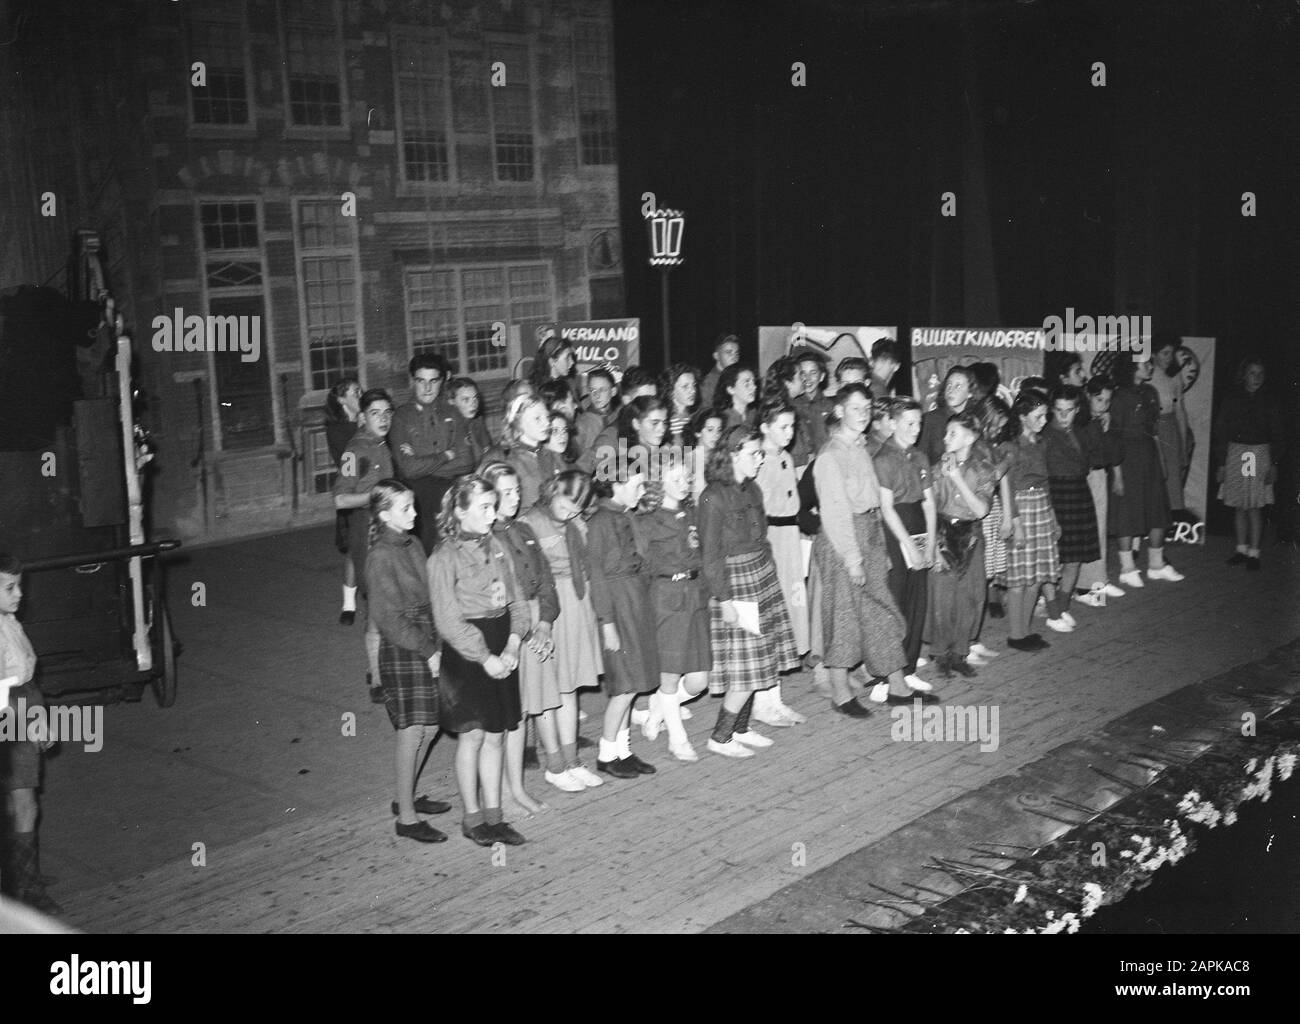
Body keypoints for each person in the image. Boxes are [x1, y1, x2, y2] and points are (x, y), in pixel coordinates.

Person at [428, 476, 529, 847]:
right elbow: (448, 620)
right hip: (470, 652)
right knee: (472, 735)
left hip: (502, 643)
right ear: (459, 511)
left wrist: (515, 643)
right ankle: (473, 819)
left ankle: (494, 816)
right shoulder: (443, 557)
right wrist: (485, 657)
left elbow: (517, 599)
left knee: (497, 735)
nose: (492, 513)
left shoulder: (498, 545)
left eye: (493, 505)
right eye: (484, 507)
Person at [812, 385, 923, 707]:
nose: (862, 414)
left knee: (880, 614)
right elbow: (835, 512)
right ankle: (840, 692)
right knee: (843, 617)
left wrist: (876, 550)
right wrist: (853, 558)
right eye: (855, 408)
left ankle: (898, 686)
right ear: (839, 412)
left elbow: (871, 502)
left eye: (866, 408)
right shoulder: (830, 456)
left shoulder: (859, 447)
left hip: (868, 533)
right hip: (842, 540)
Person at [699, 426, 801, 754]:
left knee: (758, 661)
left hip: (759, 573)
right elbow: (710, 553)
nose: (760, 459)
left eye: (760, 453)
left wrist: (769, 571)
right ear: (731, 455)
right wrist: (724, 598)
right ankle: (720, 737)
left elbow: (762, 534)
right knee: (745, 665)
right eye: (753, 454)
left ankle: (740, 729)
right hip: (735, 581)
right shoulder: (712, 496)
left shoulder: (752, 489)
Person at [364, 481, 452, 844]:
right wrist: (428, 650)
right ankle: (407, 818)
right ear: (384, 515)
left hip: (425, 635)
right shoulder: (381, 555)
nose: (415, 514)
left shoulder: (410, 542)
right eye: (405, 509)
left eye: (413, 506)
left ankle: (405, 797)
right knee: (413, 730)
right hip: (405, 644)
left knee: (430, 726)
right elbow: (388, 618)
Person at [482, 462, 557, 817]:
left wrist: (544, 622)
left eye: (516, 491)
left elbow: (545, 580)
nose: (514, 498)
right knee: (505, 716)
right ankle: (502, 793)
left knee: (522, 711)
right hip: (505, 627)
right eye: (505, 492)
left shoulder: (523, 528)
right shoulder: (487, 538)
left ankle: (517, 788)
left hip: (531, 622)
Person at [525, 471, 605, 792]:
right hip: (546, 605)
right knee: (547, 689)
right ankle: (554, 764)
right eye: (567, 502)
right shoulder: (530, 522)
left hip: (575, 601)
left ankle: (572, 760)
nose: (571, 511)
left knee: (569, 686)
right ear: (553, 490)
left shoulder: (576, 524)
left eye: (578, 507)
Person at [631, 457, 711, 761]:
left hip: (694, 595)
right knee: (669, 674)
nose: (684, 483)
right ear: (658, 482)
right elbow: (641, 567)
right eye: (674, 478)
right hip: (666, 598)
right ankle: (677, 739)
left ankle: (658, 709)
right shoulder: (645, 521)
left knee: (699, 680)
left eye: (687, 478)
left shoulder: (691, 512)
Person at [585, 470, 659, 779]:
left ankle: (624, 750)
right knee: (624, 686)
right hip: (616, 604)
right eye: (636, 483)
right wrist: (607, 622)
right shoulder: (600, 521)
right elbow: (597, 577)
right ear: (616, 484)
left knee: (635, 679)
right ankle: (606, 754)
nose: (641, 490)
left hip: (634, 599)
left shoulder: (627, 515)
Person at [0, 554, 59, 914]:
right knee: (22, 805)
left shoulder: (9, 621)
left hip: (19, 707)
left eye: (19, 585)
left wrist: (38, 714)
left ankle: (22, 879)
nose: (20, 594)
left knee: (21, 803)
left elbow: (26, 679)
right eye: (10, 587)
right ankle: (22, 889)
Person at [333, 388, 396, 703]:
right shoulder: (353, 451)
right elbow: (341, 498)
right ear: (362, 417)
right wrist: (375, 498)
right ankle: (376, 677)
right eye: (375, 413)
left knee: (389, 600)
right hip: (367, 531)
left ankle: (383, 668)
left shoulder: (383, 444)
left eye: (387, 412)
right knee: (376, 604)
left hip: (389, 530)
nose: (383, 418)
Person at [926, 413, 998, 671]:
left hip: (971, 536)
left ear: (970, 437)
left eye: (952, 433)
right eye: (946, 433)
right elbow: (931, 507)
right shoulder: (936, 469)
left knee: (970, 596)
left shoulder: (984, 470)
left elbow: (981, 510)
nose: (946, 438)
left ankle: (960, 652)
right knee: (942, 597)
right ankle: (940, 652)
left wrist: (956, 477)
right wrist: (932, 544)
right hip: (944, 532)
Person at [874, 399, 937, 692]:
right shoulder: (883, 459)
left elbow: (929, 504)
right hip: (895, 529)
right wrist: (909, 547)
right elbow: (886, 508)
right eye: (909, 423)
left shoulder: (920, 457)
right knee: (897, 601)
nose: (916, 429)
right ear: (893, 423)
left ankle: (908, 667)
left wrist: (932, 542)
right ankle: (887, 675)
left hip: (919, 526)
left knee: (917, 600)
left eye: (919, 423)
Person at [753, 398, 808, 726]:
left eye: (792, 426)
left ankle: (775, 698)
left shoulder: (785, 456)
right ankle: (763, 701)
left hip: (790, 541)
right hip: (771, 541)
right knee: (769, 619)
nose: (789, 433)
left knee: (786, 614)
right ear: (764, 428)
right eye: (782, 427)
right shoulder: (759, 461)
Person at [1110, 357, 1183, 587]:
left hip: (1149, 455)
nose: (1150, 367)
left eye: (1150, 363)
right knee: (1127, 512)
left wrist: (1160, 459)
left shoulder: (1151, 391)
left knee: (1157, 509)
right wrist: (1118, 475)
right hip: (1127, 458)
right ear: (1131, 366)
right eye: (1145, 363)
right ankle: (1127, 569)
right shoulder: (1119, 396)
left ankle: (1156, 565)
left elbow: (1154, 430)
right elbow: (1114, 436)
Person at [1004, 391, 1067, 647]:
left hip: (1041, 506)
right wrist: (1016, 523)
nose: (1043, 420)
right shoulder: (1009, 446)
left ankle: (1026, 630)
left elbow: (1045, 482)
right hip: (1021, 508)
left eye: (1045, 416)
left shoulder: (1041, 444)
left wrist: (1052, 516)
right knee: (1019, 576)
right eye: (1038, 416)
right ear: (1021, 416)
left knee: (1037, 574)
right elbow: (1006, 487)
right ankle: (1015, 634)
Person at [1216, 356, 1285, 571]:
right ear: (1244, 375)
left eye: (1261, 374)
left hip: (1258, 453)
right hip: (1237, 452)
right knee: (1239, 504)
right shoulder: (1232, 399)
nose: (1257, 378)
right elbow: (1221, 431)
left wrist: (1274, 462)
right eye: (1253, 373)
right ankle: (1241, 549)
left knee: (1254, 505)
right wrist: (1221, 463)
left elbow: (1279, 434)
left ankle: (1254, 553)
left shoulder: (1270, 401)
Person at [1043, 385, 1102, 625]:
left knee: (1074, 557)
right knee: (1048, 558)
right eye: (1058, 410)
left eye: (1069, 410)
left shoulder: (1082, 431)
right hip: (1055, 493)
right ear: (1051, 410)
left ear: (1077, 409)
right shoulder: (1045, 435)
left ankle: (1062, 606)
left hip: (1078, 491)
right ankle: (1053, 611)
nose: (1064, 416)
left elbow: (1093, 460)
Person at [389, 353, 458, 551]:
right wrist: (446, 455)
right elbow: (409, 469)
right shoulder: (402, 417)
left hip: (449, 493)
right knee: (424, 554)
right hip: (418, 498)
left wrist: (422, 458)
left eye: (433, 381)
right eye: (421, 381)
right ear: (413, 381)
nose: (427, 388)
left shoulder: (452, 412)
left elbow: (467, 458)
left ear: (442, 381)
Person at [1074, 376, 1127, 606]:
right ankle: (1084, 588)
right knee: (1087, 532)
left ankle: (1098, 581)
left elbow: (1111, 451)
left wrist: (1105, 428)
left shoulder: (1101, 420)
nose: (1103, 405)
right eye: (1098, 399)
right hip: (1083, 477)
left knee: (1099, 530)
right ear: (1087, 396)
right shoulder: (1079, 421)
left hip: (1098, 475)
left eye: (1107, 400)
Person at [479, 393, 560, 515]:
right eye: (537, 418)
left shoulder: (549, 452)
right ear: (518, 422)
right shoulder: (499, 457)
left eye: (547, 417)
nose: (547, 423)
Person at [325, 377, 363, 625]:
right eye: (355, 392)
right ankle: (348, 604)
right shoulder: (336, 429)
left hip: (374, 487)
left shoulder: (369, 420)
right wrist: (361, 429)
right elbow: (348, 461)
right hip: (353, 492)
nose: (360, 395)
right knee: (353, 550)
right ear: (341, 400)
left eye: (360, 391)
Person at [1150, 339, 1192, 516]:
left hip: (1169, 430)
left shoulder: (1175, 376)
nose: (1169, 357)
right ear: (1153, 354)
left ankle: (1170, 521)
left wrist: (1182, 445)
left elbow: (1180, 411)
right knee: (1152, 475)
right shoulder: (1147, 374)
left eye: (1171, 353)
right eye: (1164, 353)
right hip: (1150, 429)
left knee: (1172, 477)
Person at [920, 365, 975, 465]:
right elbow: (919, 458)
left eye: (958, 386)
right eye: (949, 385)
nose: (951, 390)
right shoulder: (931, 419)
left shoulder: (974, 421)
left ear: (970, 393)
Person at [445, 377, 493, 476]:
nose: (474, 404)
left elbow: (488, 452)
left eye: (475, 398)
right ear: (451, 402)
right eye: (466, 399)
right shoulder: (445, 427)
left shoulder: (477, 421)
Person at [575, 367, 619, 472]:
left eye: (602, 390)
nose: (596, 395)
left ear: (613, 391)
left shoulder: (619, 418)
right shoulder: (581, 424)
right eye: (592, 390)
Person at [792, 350, 833, 455]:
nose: (807, 378)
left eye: (813, 373)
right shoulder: (791, 406)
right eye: (802, 373)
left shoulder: (831, 407)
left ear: (822, 376)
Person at [685, 407, 725, 501]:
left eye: (719, 430)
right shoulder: (690, 459)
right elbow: (697, 499)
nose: (716, 435)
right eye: (710, 430)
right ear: (697, 432)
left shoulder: (720, 456)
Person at [661, 363, 700, 445]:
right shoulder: (665, 419)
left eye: (694, 385)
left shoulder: (693, 416)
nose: (693, 391)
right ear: (671, 391)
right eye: (685, 386)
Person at [699, 333, 740, 408]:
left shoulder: (738, 378)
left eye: (736, 353)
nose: (734, 357)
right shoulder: (708, 384)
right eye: (729, 352)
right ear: (716, 356)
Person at [713, 364, 759, 429]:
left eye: (753, 382)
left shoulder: (755, 414)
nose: (754, 387)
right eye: (747, 383)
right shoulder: (721, 420)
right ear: (730, 389)